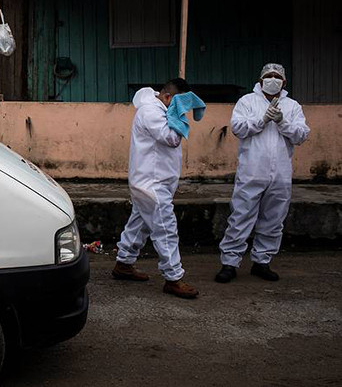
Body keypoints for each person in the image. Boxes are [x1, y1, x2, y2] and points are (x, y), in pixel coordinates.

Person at [215, 64, 309, 283]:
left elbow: (301, 135)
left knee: (274, 219)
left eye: (277, 76)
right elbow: (238, 128)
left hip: (281, 174)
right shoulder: (247, 101)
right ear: (260, 80)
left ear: (284, 82)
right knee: (240, 217)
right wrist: (262, 120)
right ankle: (229, 263)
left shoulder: (292, 106)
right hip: (252, 171)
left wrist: (281, 121)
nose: (273, 79)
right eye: (268, 76)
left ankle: (262, 262)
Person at [112, 78, 199, 299]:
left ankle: (123, 263)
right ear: (168, 97)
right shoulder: (151, 112)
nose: (182, 112)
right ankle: (173, 278)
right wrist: (178, 116)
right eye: (179, 106)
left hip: (153, 181)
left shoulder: (159, 108)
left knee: (139, 224)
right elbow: (171, 138)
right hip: (151, 183)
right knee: (165, 229)